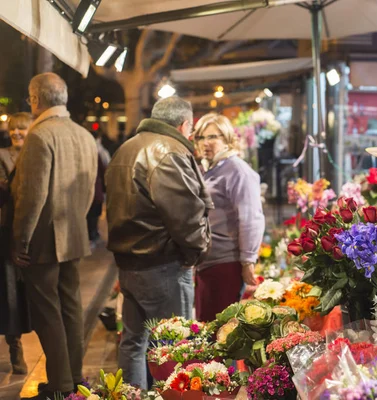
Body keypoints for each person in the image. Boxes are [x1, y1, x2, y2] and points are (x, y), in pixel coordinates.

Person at [105, 97, 212, 389]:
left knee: (133, 342)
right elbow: (186, 218)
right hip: (163, 264)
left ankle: (132, 395)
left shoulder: (127, 147)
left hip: (129, 263)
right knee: (174, 349)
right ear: (183, 125)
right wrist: (195, 253)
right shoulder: (170, 152)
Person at [12, 73, 98, 399]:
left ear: (35, 100)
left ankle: (60, 385)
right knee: (71, 309)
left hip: (44, 239)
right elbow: (89, 192)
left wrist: (20, 241)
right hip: (74, 233)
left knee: (48, 313)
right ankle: (73, 378)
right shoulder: (83, 135)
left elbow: (31, 197)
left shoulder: (40, 135)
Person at [193, 113, 265, 322]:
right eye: (200, 138)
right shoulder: (210, 169)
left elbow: (251, 218)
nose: (205, 143)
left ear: (226, 139)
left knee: (220, 330)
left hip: (226, 262)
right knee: (207, 328)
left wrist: (247, 260)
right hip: (208, 262)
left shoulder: (237, 170)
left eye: (212, 137)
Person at [0, 112, 33, 376]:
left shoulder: (36, 153)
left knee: (23, 295)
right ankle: (14, 347)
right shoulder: (2, 156)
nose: (17, 132)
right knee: (9, 294)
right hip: (5, 233)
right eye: (13, 129)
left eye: (22, 128)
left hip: (31, 234)